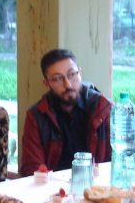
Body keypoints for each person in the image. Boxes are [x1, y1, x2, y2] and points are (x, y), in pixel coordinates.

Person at [20, 48, 112, 176]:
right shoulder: (37, 116)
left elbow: (118, 161)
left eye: (72, 74)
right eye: (57, 78)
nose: (68, 84)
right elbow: (32, 169)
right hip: (53, 186)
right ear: (47, 83)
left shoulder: (102, 109)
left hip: (96, 183)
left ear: (80, 73)